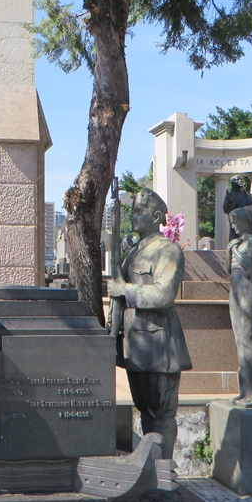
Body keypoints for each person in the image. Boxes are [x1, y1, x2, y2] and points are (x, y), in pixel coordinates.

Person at [107, 188, 192, 459]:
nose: (133, 216)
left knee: (162, 414)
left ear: (156, 216)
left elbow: (163, 294)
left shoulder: (167, 250)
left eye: (139, 211)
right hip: (136, 345)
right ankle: (150, 468)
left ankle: (163, 474)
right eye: (132, 210)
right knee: (145, 411)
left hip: (159, 346)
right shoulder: (132, 251)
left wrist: (125, 290)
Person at [226, 208, 252, 408]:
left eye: (236, 222)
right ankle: (245, 391)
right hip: (235, 291)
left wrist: (233, 249)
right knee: (238, 340)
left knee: (247, 337)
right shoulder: (237, 243)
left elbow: (249, 265)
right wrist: (230, 248)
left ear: (245, 222)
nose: (233, 226)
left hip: (248, 290)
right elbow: (229, 268)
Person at [222, 176, 252, 241]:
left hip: (248, 226)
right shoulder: (230, 195)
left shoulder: (248, 196)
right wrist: (228, 201)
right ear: (232, 183)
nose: (240, 181)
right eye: (237, 180)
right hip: (236, 225)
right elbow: (226, 209)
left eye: (240, 179)